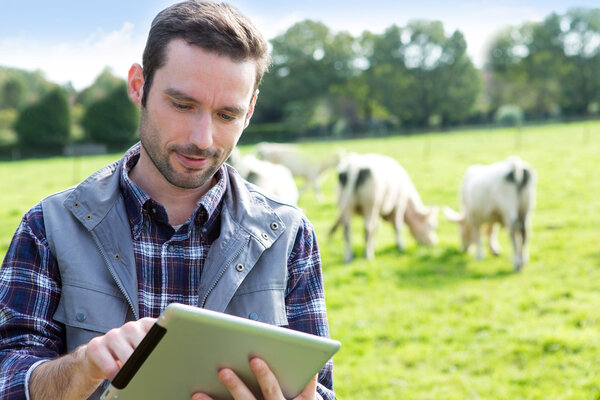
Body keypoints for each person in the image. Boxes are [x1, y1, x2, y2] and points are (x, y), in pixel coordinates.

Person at [0, 1, 335, 399]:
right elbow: (9, 376)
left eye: (227, 115)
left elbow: (321, 389)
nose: (202, 138)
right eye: (182, 105)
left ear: (251, 110)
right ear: (139, 85)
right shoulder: (47, 228)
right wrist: (84, 365)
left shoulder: (290, 236)